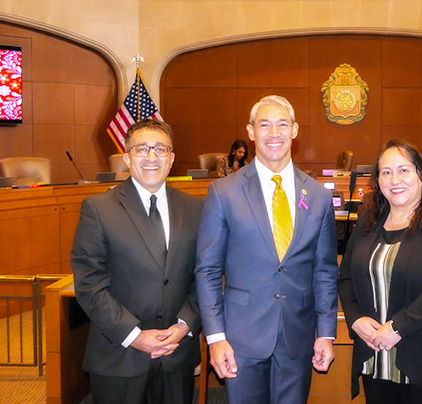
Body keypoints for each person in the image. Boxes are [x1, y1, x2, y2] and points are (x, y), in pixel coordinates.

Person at [195, 95, 338, 404]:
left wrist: (326, 332)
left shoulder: (316, 196)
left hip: (297, 337)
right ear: (251, 131)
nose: (274, 133)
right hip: (240, 338)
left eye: (282, 124)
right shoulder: (224, 192)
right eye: (265, 124)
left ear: (295, 130)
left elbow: (325, 270)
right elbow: (207, 271)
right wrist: (216, 337)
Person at [71, 119, 202, 404]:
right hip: (119, 355)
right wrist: (134, 335)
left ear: (172, 159)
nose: (152, 157)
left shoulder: (196, 209)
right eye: (142, 149)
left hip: (176, 353)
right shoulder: (98, 209)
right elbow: (90, 285)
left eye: (161, 149)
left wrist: (184, 325)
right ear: (128, 157)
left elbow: (203, 276)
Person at [338, 139, 422, 404]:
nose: (394, 179)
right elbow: (346, 277)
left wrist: (398, 328)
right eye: (386, 172)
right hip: (376, 359)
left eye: (404, 170)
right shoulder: (368, 221)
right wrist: (354, 319)